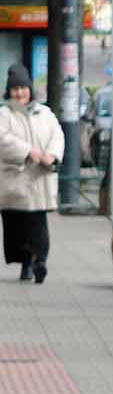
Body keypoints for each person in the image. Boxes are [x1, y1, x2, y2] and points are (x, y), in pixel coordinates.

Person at [0, 64, 65, 284]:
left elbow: (57, 135)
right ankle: (26, 263)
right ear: (9, 92)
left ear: (30, 89)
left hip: (38, 180)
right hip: (14, 182)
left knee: (38, 223)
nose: (19, 93)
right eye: (15, 89)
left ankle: (40, 261)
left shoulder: (44, 113)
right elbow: (3, 140)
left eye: (23, 88)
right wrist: (29, 152)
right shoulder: (4, 114)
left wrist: (52, 155)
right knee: (16, 227)